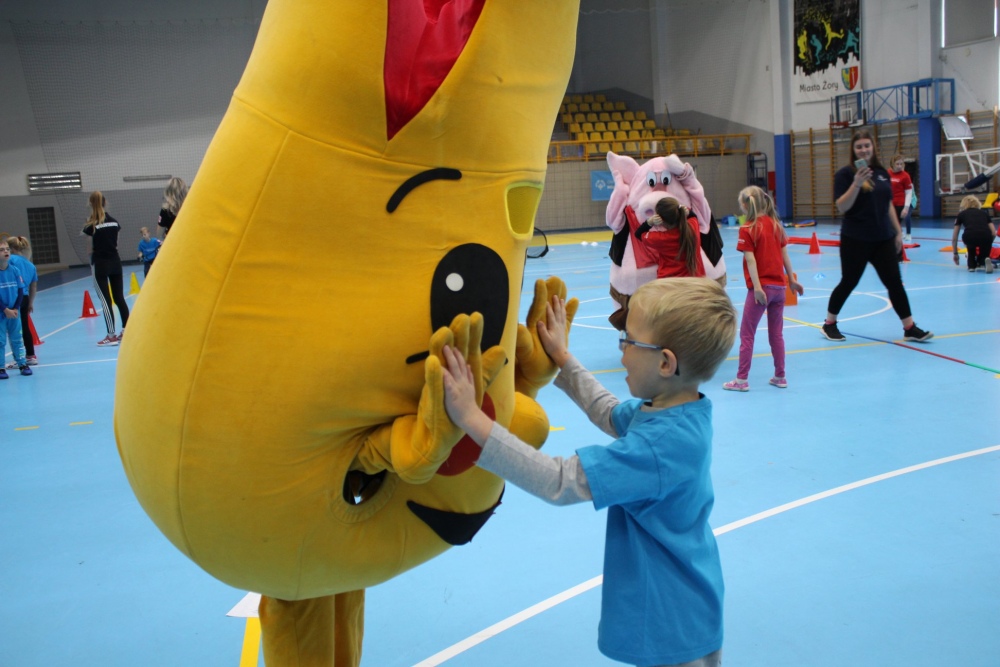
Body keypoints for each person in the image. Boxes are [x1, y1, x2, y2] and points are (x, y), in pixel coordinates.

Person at [441, 278, 736, 667]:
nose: (622, 350)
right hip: (689, 602)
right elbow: (609, 412)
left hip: (670, 619)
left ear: (666, 363)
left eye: (628, 340)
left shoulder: (659, 446)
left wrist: (472, 419)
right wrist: (562, 358)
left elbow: (560, 481)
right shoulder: (680, 411)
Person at [822, 130, 933, 343]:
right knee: (849, 282)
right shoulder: (845, 175)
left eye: (867, 145)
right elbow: (842, 206)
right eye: (859, 146)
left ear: (873, 147)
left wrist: (897, 232)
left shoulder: (882, 173)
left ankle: (909, 327)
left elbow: (888, 204)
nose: (863, 150)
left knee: (895, 282)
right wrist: (856, 183)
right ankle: (829, 323)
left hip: (882, 238)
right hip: (855, 239)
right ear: (853, 150)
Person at [722, 187, 803, 392]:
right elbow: (785, 255)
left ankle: (741, 380)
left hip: (762, 288)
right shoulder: (776, 225)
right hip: (780, 288)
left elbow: (751, 261)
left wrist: (757, 287)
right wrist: (791, 280)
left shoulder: (748, 228)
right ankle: (780, 376)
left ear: (745, 205)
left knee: (747, 334)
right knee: (776, 334)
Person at [83, 191, 129, 346]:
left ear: (91, 204)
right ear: (105, 202)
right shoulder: (115, 223)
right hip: (115, 263)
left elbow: (90, 249)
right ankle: (126, 330)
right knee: (119, 298)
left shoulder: (91, 225)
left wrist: (92, 266)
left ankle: (111, 336)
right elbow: (116, 244)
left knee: (105, 301)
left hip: (100, 264)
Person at [634, 197, 706, 278]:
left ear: (661, 220)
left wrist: (649, 222)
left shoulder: (661, 238)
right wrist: (686, 211)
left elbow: (638, 234)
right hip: (696, 280)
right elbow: (693, 216)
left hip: (669, 282)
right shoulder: (693, 226)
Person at [0, 239, 32, 378]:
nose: (6, 251)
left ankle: (22, 363)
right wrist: (5, 309)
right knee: (0, 341)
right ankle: (1, 367)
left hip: (14, 312)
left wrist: (15, 308)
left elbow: (20, 291)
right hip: (2, 313)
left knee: (17, 339)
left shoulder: (15, 270)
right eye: (1, 250)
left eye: (7, 249)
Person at [5, 236, 39, 366]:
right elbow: (33, 286)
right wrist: (30, 303)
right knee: (25, 327)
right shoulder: (30, 265)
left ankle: (18, 357)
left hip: (14, 298)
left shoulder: (11, 260)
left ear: (11, 249)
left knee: (14, 330)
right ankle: (30, 355)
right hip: (25, 298)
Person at [952, 195, 996, 273]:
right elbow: (993, 233)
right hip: (985, 235)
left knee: (971, 247)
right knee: (985, 247)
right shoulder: (984, 213)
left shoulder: (961, 214)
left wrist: (955, 253)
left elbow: (955, 236)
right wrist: (989, 242)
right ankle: (984, 260)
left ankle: (971, 265)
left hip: (970, 236)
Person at [888, 154, 914, 244]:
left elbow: (909, 192)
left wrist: (906, 208)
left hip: (900, 205)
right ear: (892, 164)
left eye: (901, 164)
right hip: (890, 204)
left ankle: (901, 236)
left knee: (894, 226)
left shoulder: (905, 176)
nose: (899, 166)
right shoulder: (887, 173)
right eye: (897, 164)